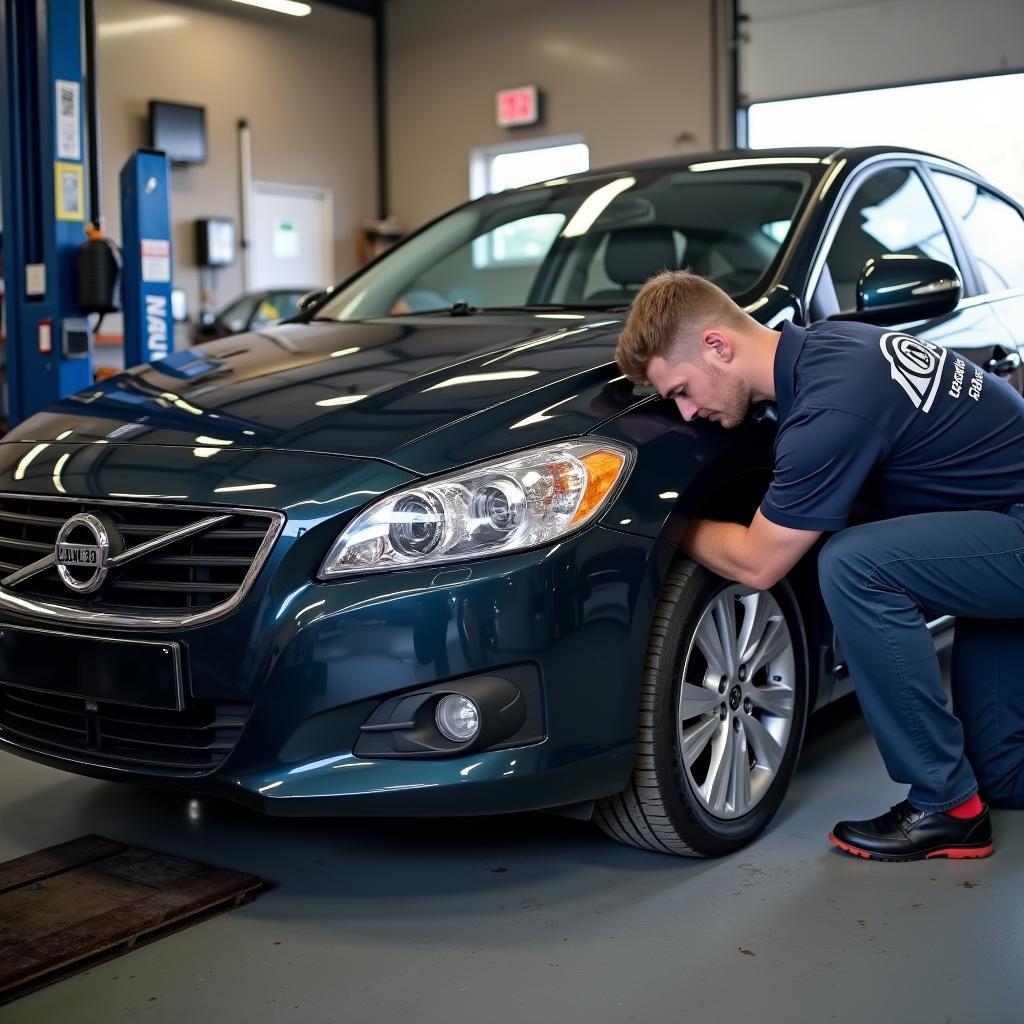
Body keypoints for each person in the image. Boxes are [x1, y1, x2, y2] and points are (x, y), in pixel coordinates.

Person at [615, 270, 1024, 862]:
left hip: (1012, 532)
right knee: (1003, 773)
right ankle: (974, 792)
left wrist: (665, 525)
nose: (684, 412)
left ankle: (945, 805)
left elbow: (758, 565)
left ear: (717, 346)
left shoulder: (831, 408)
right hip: (995, 527)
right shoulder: (829, 348)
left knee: (855, 566)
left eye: (681, 389)